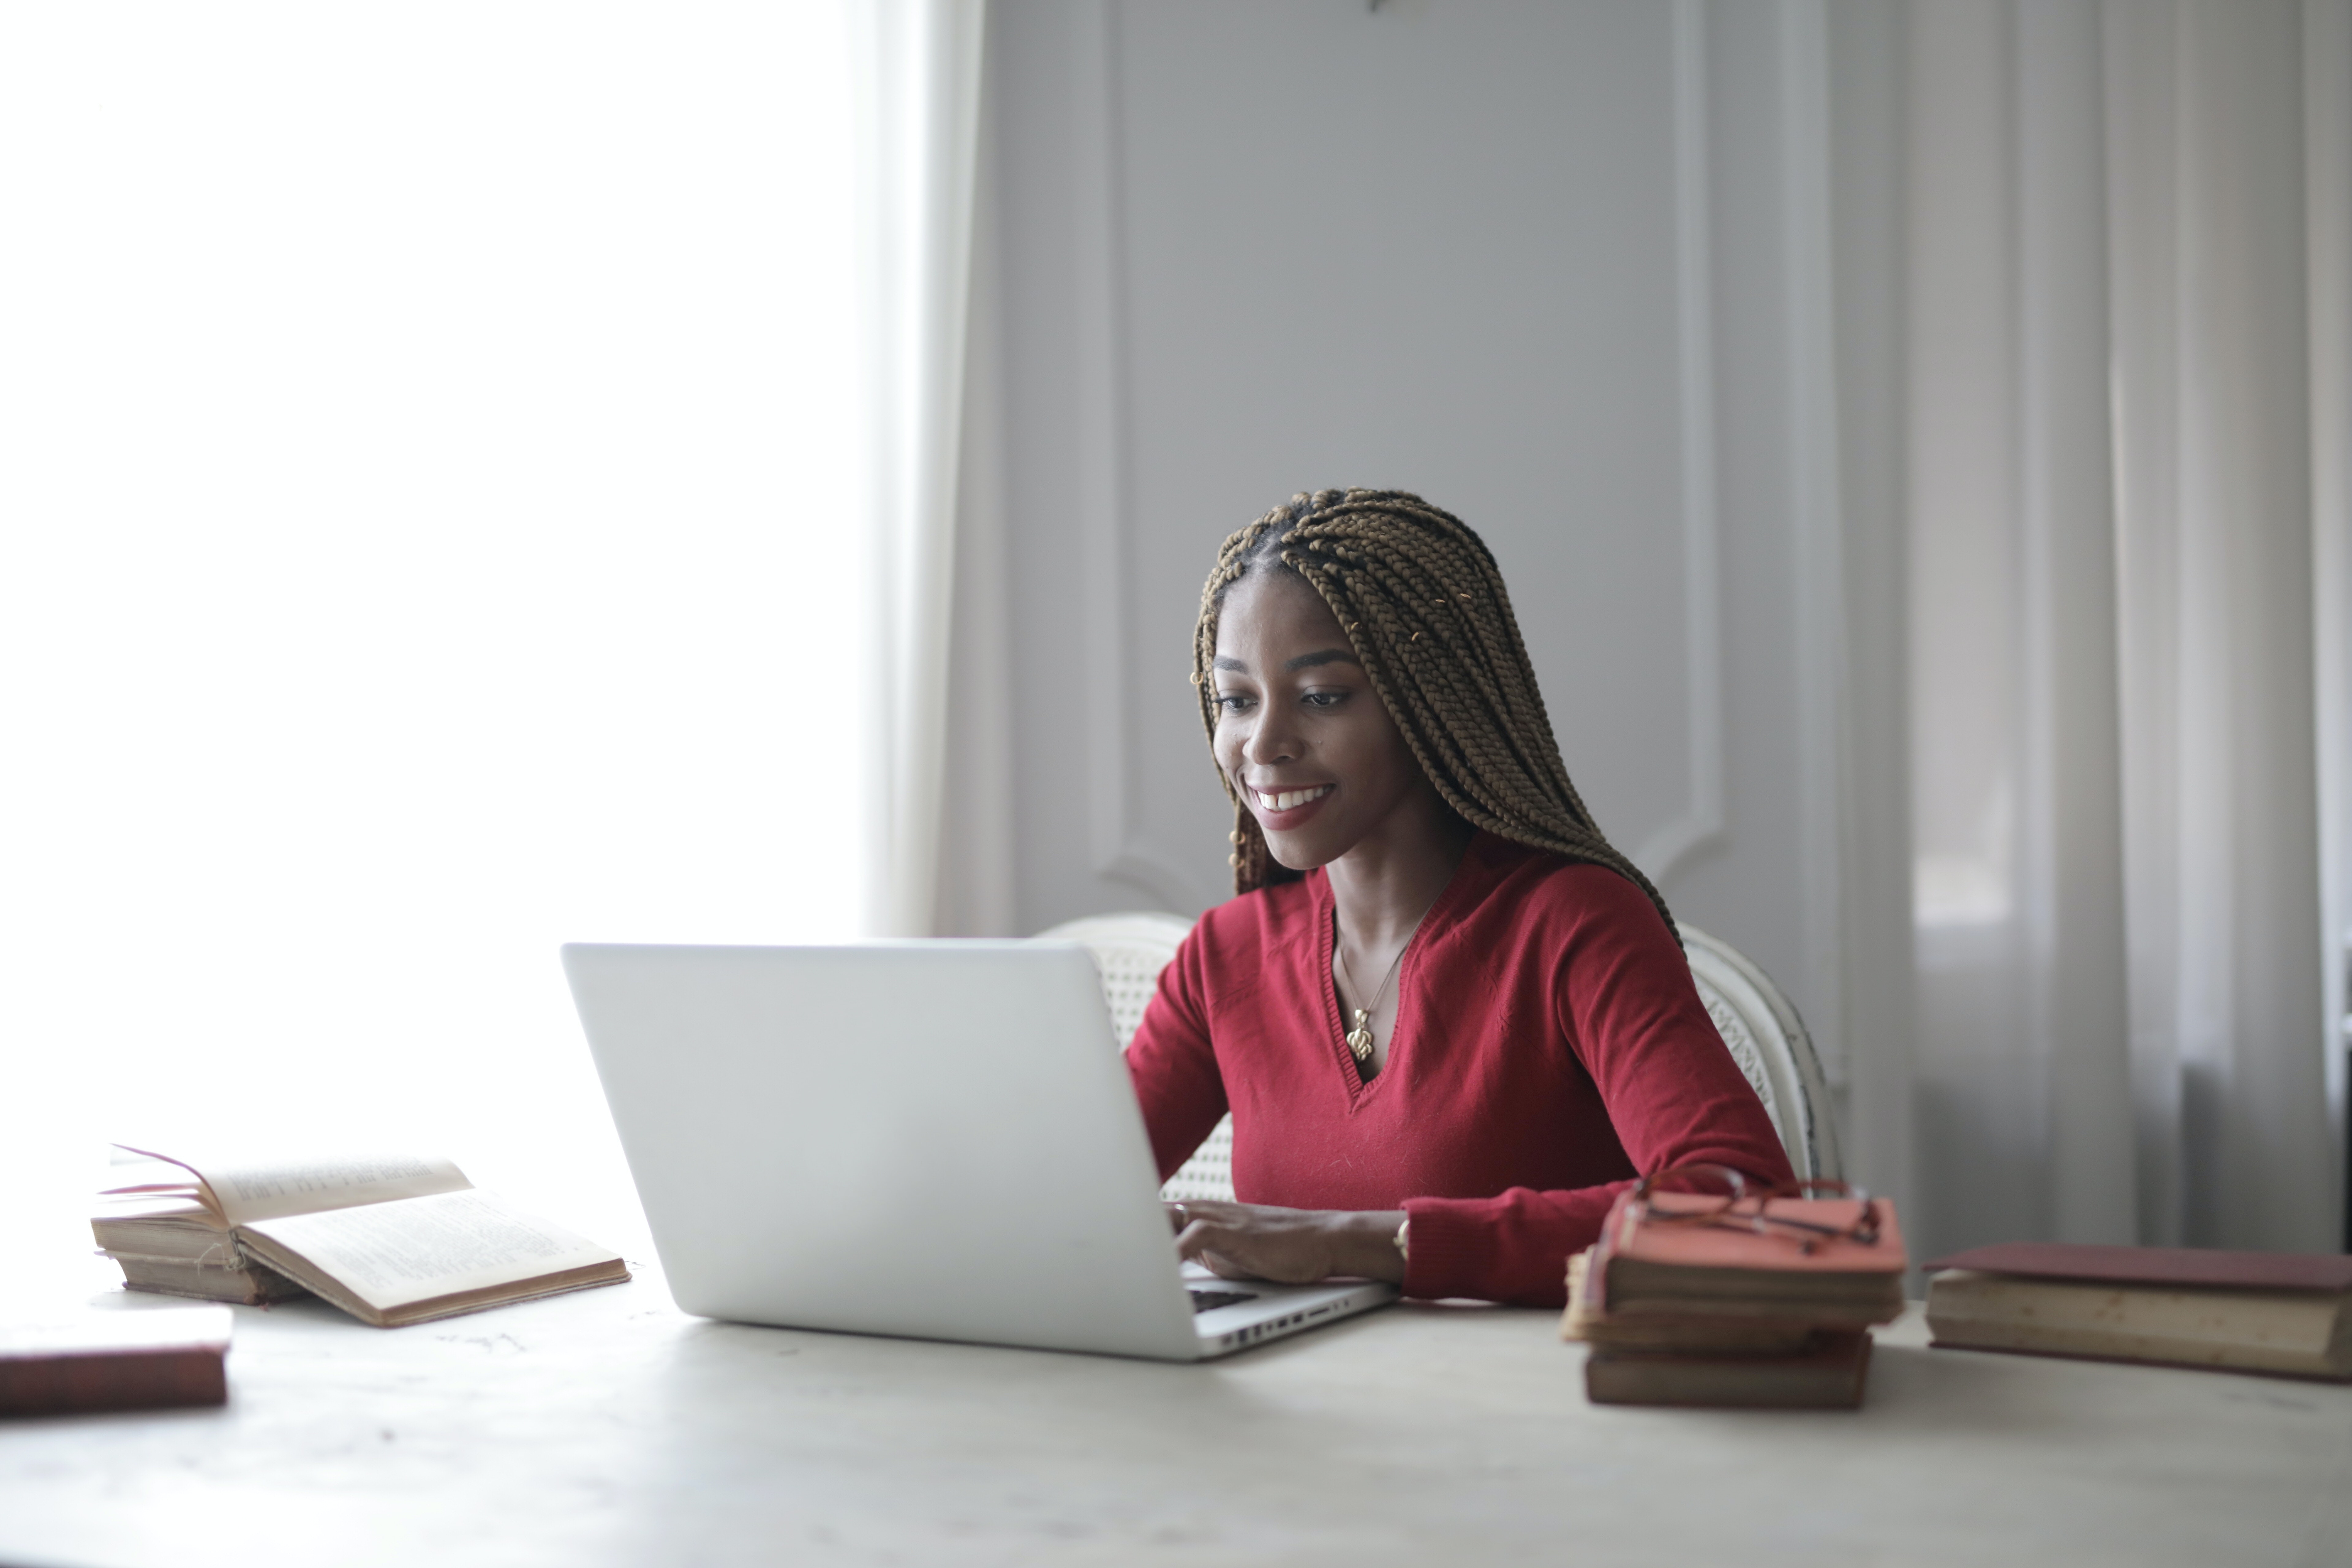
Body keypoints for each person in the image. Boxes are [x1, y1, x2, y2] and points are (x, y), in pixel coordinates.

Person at [1125, 488, 1793, 1308]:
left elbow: (1746, 1208)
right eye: (1237, 700)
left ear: (1429, 698)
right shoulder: (1225, 957)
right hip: (1295, 1416)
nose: (1262, 745)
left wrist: (1354, 1243)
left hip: (1530, 1417)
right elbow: (1066, 1198)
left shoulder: (1574, 924)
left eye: (1323, 696)